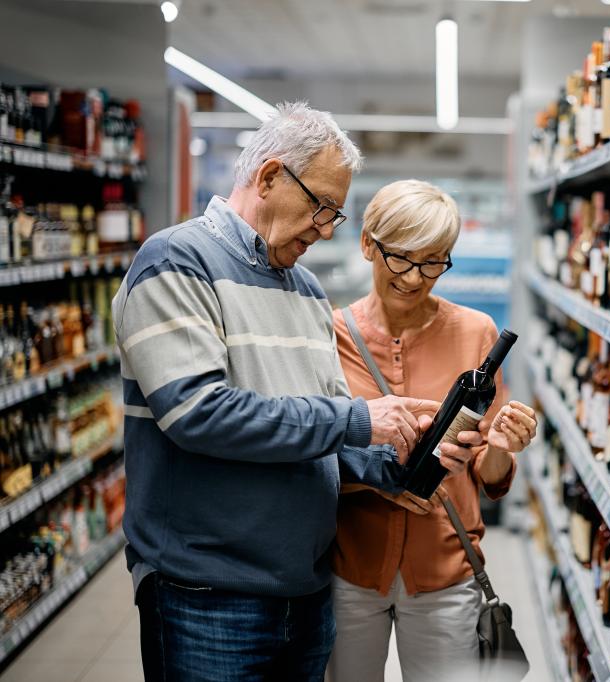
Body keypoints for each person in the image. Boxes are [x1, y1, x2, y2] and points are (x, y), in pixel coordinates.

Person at [112, 103, 470, 681]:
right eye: (321, 206)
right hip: (206, 595)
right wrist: (360, 420)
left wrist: (400, 457)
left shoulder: (304, 289)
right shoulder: (176, 261)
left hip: (305, 592)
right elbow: (197, 413)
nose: (326, 228)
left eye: (335, 214)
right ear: (270, 175)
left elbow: (323, 433)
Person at [328, 180, 538, 682]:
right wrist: (378, 480)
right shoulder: (330, 336)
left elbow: (489, 478)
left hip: (446, 568)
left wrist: (503, 448)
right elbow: (314, 454)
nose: (415, 277)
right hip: (352, 566)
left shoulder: (477, 333)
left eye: (434, 261)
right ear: (367, 244)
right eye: (401, 257)